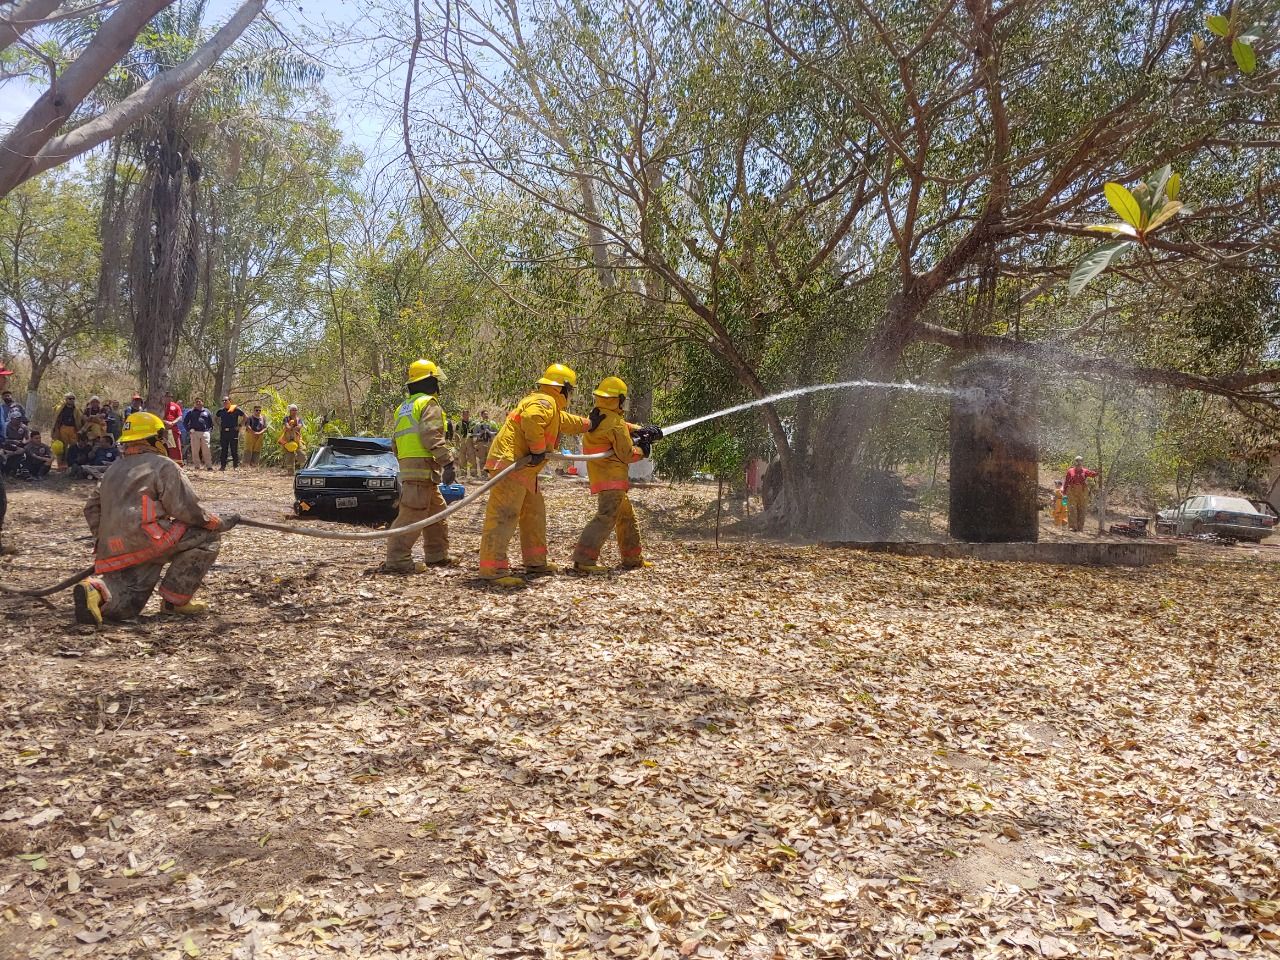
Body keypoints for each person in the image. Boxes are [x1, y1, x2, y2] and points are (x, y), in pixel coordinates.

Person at [71, 412, 238, 626]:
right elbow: (185, 508)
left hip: (111, 548)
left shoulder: (113, 469)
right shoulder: (163, 465)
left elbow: (91, 508)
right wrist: (217, 522)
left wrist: (106, 537)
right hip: (150, 539)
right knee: (207, 537)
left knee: (126, 607)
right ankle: (175, 602)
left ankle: (95, 590)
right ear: (155, 438)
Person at [476, 364, 597, 586]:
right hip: (511, 464)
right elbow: (533, 419)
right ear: (563, 388)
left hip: (524, 469)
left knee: (534, 513)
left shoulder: (550, 406)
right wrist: (539, 449)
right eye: (570, 390)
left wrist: (591, 424)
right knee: (504, 515)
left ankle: (535, 561)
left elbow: (567, 422)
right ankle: (493, 569)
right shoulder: (543, 402)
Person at [571, 377, 662, 573]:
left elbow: (622, 426)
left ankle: (632, 559)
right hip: (611, 478)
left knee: (626, 517)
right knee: (606, 517)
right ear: (619, 399)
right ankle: (584, 560)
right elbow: (627, 454)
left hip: (603, 476)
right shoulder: (613, 423)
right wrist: (644, 450)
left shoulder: (599, 416)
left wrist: (642, 430)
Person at [382, 360, 456, 574]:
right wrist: (447, 461)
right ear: (430, 380)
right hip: (422, 467)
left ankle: (437, 555)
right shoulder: (428, 404)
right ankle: (397, 559)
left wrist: (406, 463)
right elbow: (431, 435)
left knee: (437, 514)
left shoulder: (403, 408)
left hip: (414, 468)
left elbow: (395, 442)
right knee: (412, 514)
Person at [1064, 456, 1098, 532]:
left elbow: (1093, 474)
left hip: (1082, 492)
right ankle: (1072, 527)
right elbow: (1066, 482)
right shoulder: (1070, 471)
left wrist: (1098, 471)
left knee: (1082, 509)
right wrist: (1064, 493)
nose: (1078, 463)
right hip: (1072, 491)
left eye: (1080, 461)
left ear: (1082, 462)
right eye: (1077, 461)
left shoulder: (1085, 471)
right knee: (1072, 509)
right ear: (1075, 462)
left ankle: (1080, 528)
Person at [183, 398, 214, 471]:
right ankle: (197, 466)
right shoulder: (191, 412)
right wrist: (189, 430)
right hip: (194, 433)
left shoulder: (207, 411)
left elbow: (210, 423)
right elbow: (185, 422)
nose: (198, 403)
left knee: (206, 449)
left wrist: (209, 431)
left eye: (199, 401)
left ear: (202, 403)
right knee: (195, 450)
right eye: (196, 402)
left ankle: (209, 466)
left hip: (205, 433)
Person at [215, 396, 246, 471]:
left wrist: (240, 426)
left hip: (233, 432)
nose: (224, 402)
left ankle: (235, 466)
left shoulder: (236, 409)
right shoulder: (221, 411)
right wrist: (219, 425)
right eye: (223, 401)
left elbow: (245, 417)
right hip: (224, 432)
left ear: (230, 401)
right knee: (224, 450)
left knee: (234, 449)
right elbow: (215, 418)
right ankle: (223, 466)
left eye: (226, 400)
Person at [53, 394, 83, 464]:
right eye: (70, 399)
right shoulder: (60, 408)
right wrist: (55, 429)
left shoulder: (77, 409)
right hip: (63, 428)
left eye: (73, 399)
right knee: (63, 446)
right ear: (66, 400)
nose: (72, 400)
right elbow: (56, 419)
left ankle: (70, 462)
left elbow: (81, 418)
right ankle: (61, 463)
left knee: (73, 446)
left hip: (73, 429)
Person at [278, 405, 304, 472]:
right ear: (290, 411)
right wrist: (291, 427)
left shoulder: (299, 419)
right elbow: (287, 426)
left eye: (295, 410)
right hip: (288, 439)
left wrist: (295, 427)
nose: (294, 411)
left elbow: (300, 426)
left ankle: (304, 469)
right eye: (293, 410)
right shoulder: (286, 418)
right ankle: (290, 471)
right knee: (289, 455)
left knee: (301, 453)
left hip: (297, 439)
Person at [161, 392, 184, 464]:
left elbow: (180, 416)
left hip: (171, 430)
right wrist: (164, 421)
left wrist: (173, 422)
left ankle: (178, 465)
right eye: (167, 396)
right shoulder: (159, 406)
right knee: (162, 448)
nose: (168, 398)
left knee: (175, 449)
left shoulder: (175, 406)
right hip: (161, 430)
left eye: (170, 396)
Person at [456, 409, 477, 480]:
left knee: (472, 457)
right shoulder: (459, 424)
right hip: (462, 441)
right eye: (464, 414)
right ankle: (463, 473)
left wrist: (475, 442)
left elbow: (476, 432)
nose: (466, 416)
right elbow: (456, 434)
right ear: (462, 415)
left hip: (470, 441)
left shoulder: (473, 423)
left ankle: (473, 473)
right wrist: (457, 444)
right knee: (462, 457)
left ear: (469, 415)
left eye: (467, 414)